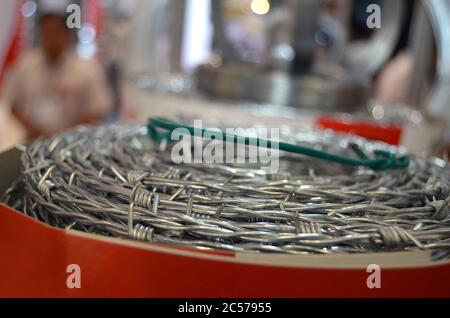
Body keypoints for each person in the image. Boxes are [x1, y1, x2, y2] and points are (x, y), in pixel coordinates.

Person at [1, 12, 112, 138]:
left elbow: (99, 111)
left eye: (56, 32)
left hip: (73, 142)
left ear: (66, 35)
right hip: (32, 139)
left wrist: (67, 133)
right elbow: (12, 102)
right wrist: (31, 127)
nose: (51, 37)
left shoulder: (88, 70)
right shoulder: (26, 66)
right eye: (47, 32)